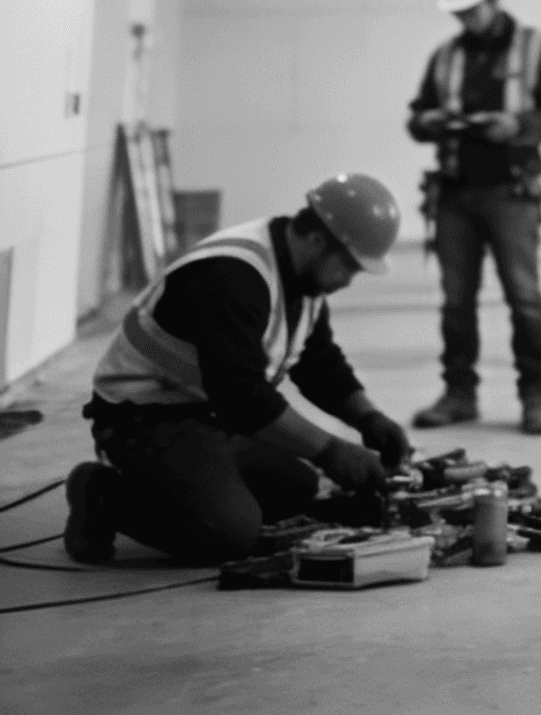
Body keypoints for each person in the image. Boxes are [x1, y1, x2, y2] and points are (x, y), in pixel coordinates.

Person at [64, 173, 408, 565]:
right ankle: (101, 493)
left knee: (296, 489)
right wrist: (331, 451)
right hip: (144, 419)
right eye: (349, 267)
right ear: (317, 240)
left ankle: (196, 486)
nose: (348, 280)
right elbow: (241, 397)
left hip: (208, 416)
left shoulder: (303, 280)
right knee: (229, 534)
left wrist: (369, 418)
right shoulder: (232, 276)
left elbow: (319, 364)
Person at [407, 0, 541, 435]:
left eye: (471, 8)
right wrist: (429, 122)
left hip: (512, 194)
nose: (465, 19)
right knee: (455, 301)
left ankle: (535, 396)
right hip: (455, 195)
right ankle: (459, 395)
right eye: (458, 12)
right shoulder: (446, 57)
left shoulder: (535, 48)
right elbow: (417, 116)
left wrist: (518, 126)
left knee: (523, 297)